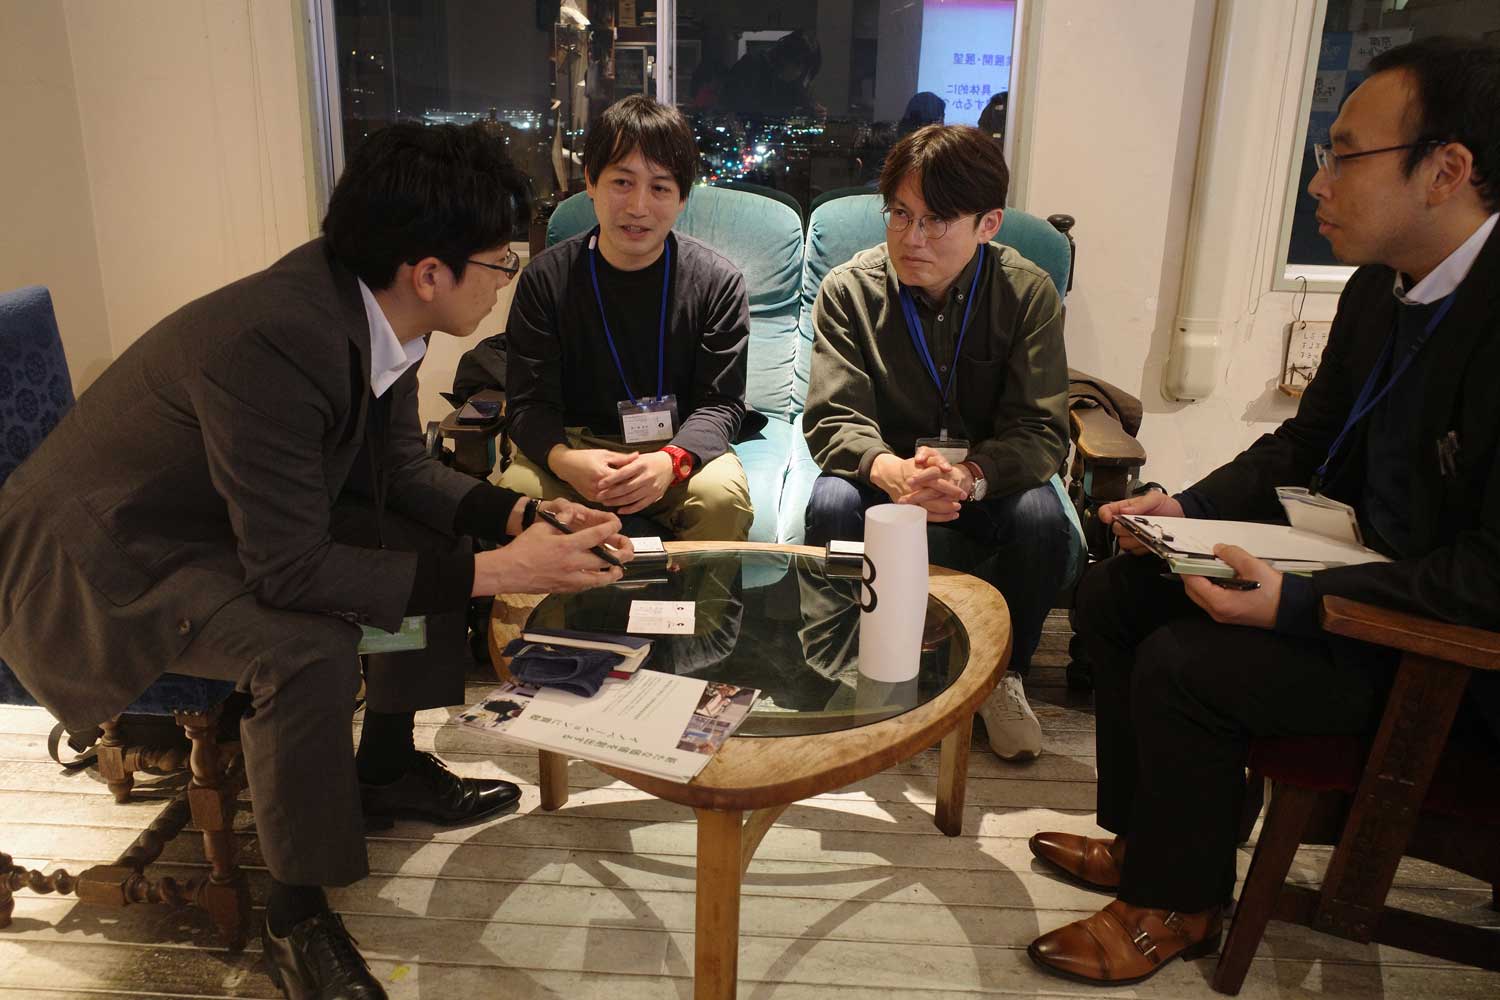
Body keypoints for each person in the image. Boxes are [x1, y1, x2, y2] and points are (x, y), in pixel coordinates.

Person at [0, 123, 634, 999]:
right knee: (306, 648)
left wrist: (519, 514)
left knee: (424, 540)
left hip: (209, 520)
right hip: (102, 564)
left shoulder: (376, 308)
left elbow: (399, 469)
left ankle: (385, 765)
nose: (502, 283)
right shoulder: (274, 340)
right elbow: (291, 570)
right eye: (500, 264)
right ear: (429, 273)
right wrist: (503, 571)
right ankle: (294, 916)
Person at [1026, 36, 1500, 985]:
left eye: (1345, 154)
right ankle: (1150, 848)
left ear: (1446, 171)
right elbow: (1305, 443)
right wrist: (1184, 509)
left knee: (1187, 664)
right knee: (1120, 594)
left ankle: (1177, 904)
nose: (1318, 182)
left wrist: (1299, 603)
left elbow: (1488, 576)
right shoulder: (1380, 291)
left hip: (1444, 654)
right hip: (1354, 583)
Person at [801, 124, 1076, 762]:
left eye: (936, 221)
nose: (912, 237)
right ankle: (849, 669)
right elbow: (833, 416)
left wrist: (971, 476)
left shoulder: (1027, 292)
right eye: (900, 214)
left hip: (983, 480)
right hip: (886, 478)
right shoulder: (850, 289)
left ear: (988, 224)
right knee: (831, 502)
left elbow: (1040, 428)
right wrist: (891, 471)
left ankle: (1005, 674)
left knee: (1043, 519)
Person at [500, 95, 757, 541]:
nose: (638, 206)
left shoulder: (717, 282)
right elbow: (528, 403)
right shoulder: (546, 279)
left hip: (675, 450)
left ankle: (699, 595)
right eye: (622, 181)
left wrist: (670, 461)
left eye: (660, 188)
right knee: (517, 494)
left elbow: (722, 403)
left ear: (682, 199)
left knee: (721, 501)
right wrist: (565, 460)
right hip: (574, 447)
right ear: (590, 182)